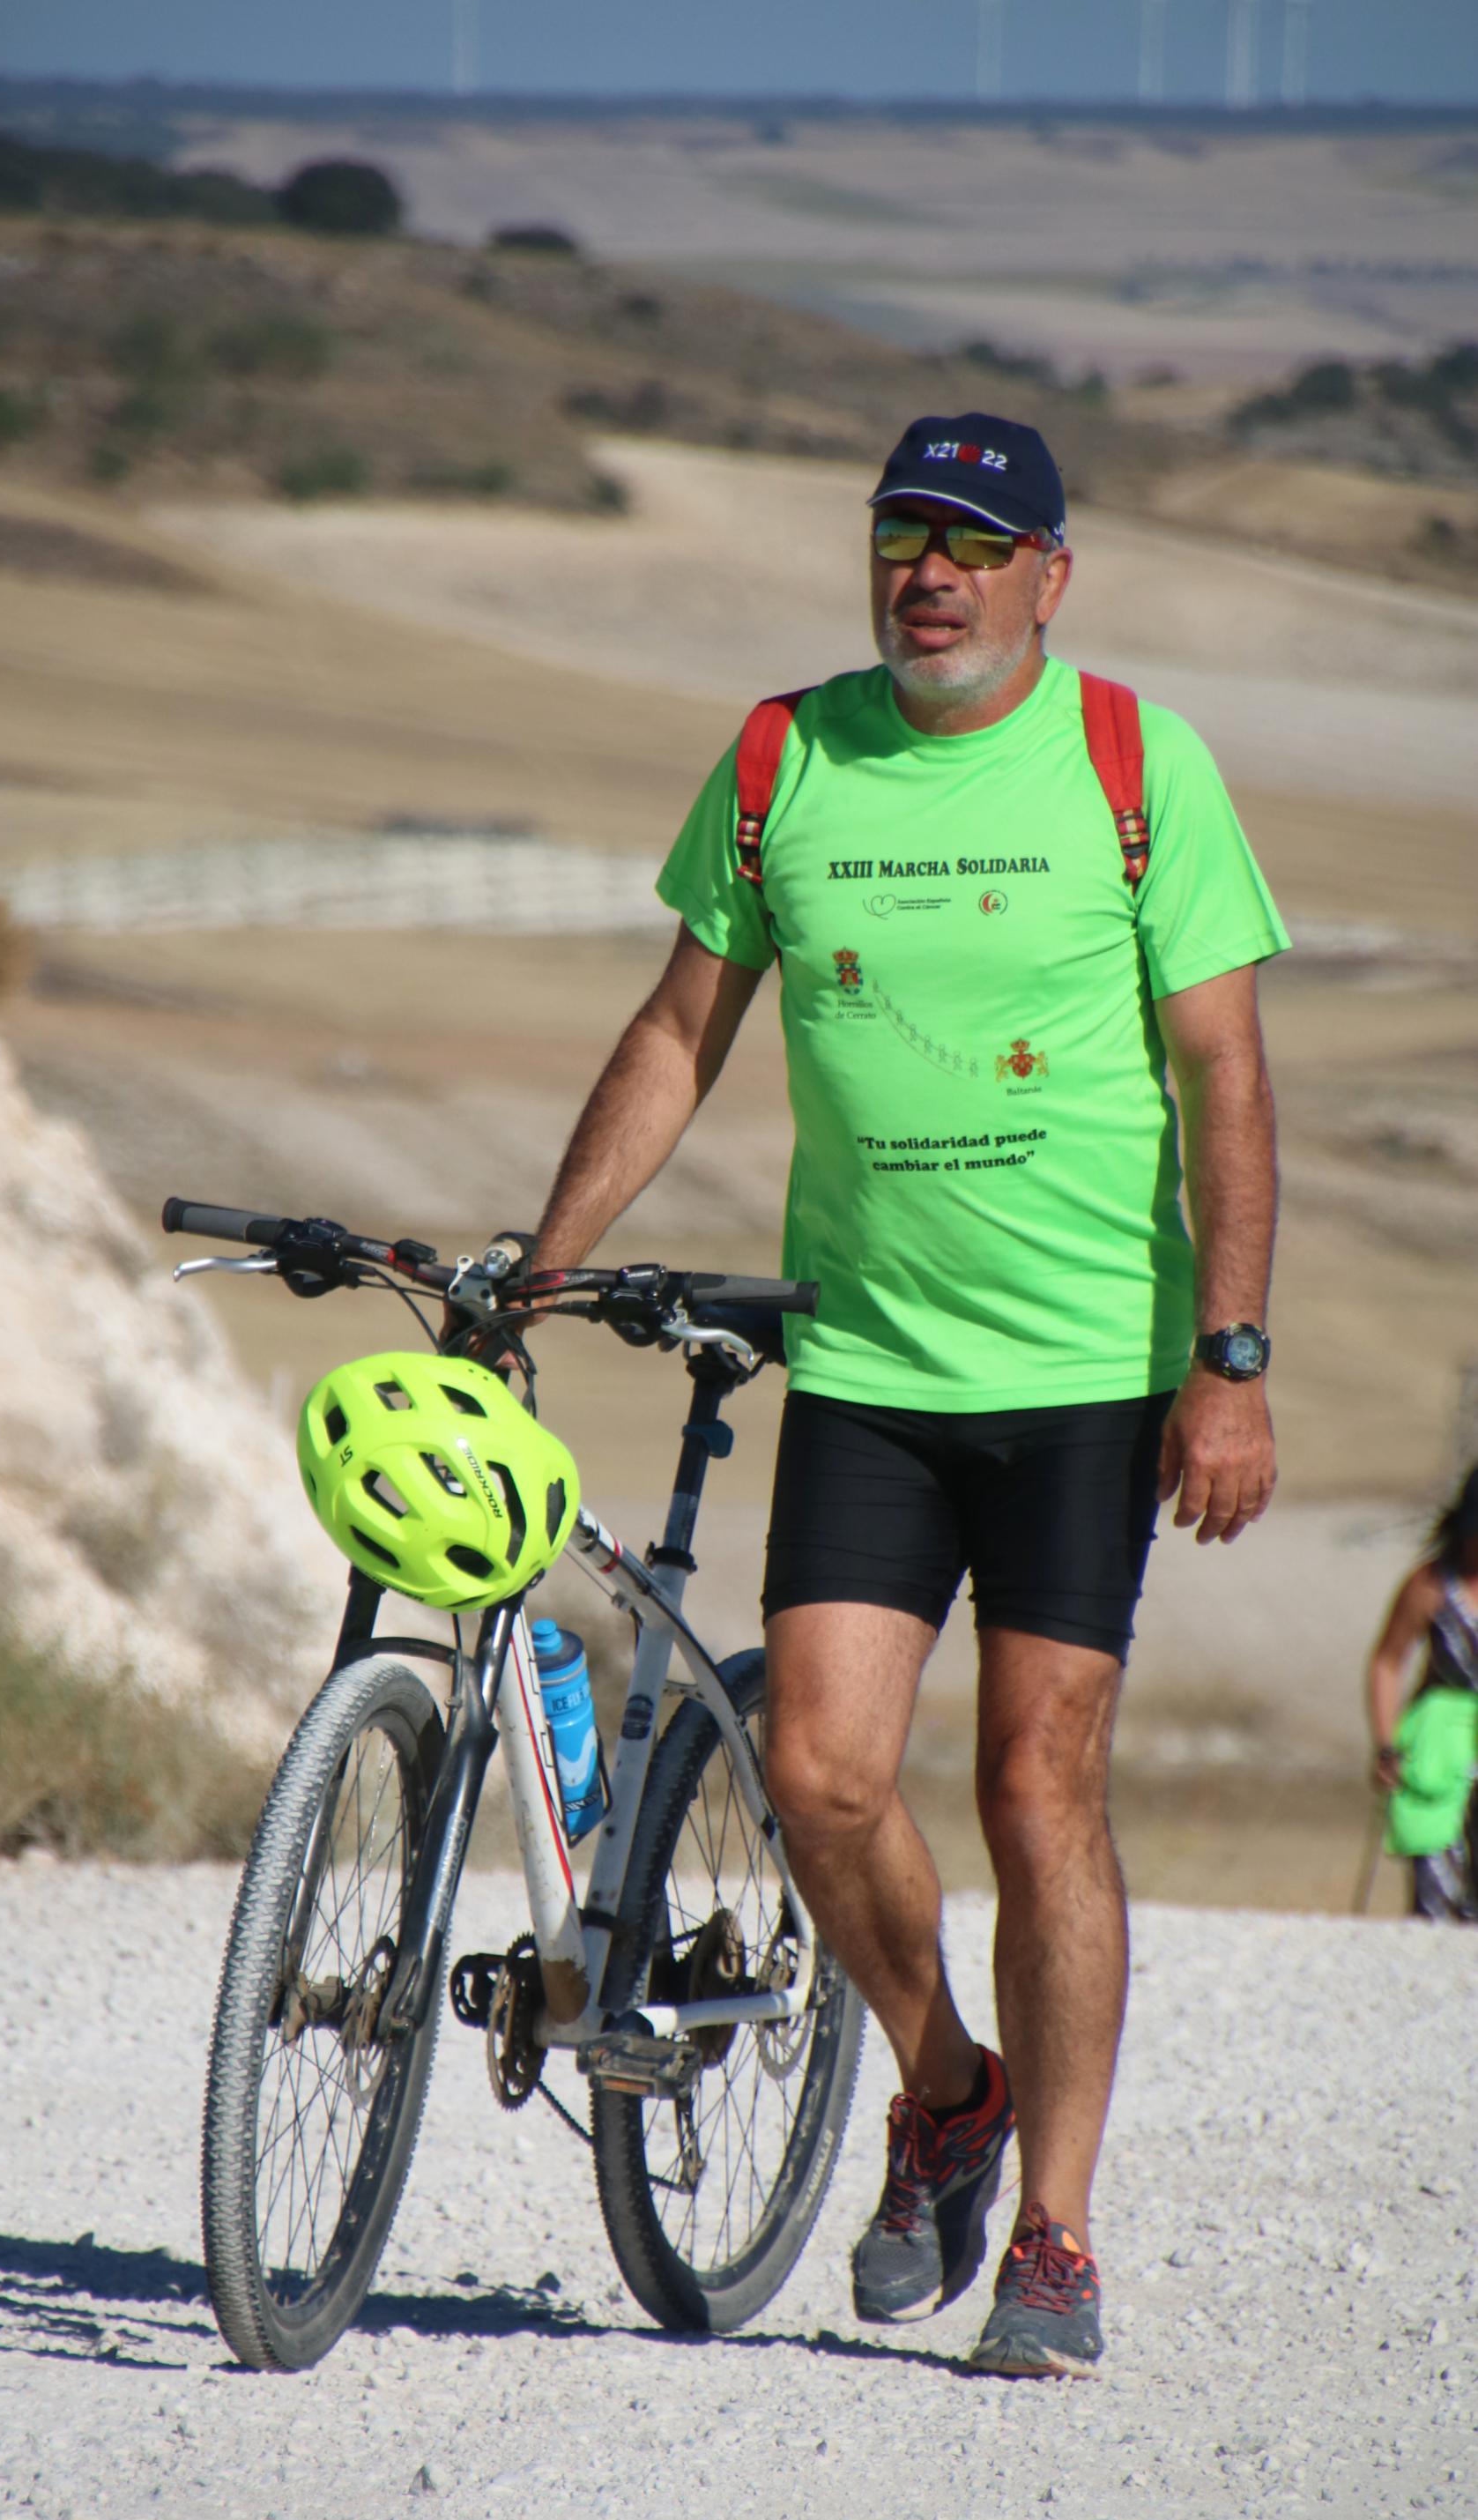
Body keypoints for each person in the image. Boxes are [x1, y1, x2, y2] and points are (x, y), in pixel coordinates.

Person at [525, 412, 1289, 2375]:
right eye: (896, 536)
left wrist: (1227, 1359)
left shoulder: (1136, 767)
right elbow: (675, 1028)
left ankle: (1047, 2233)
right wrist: (536, 1255)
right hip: (865, 1358)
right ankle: (943, 2081)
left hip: (1083, 1378)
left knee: (1038, 1787)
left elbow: (1222, 1073)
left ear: (1049, 573)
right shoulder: (785, 754)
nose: (924, 572)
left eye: (967, 540)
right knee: (818, 1774)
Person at [1365, 1466, 1478, 1922]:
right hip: (1439, 1747)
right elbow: (1387, 1662)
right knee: (1437, 1892)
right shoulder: (1431, 1587)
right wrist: (1387, 1742)